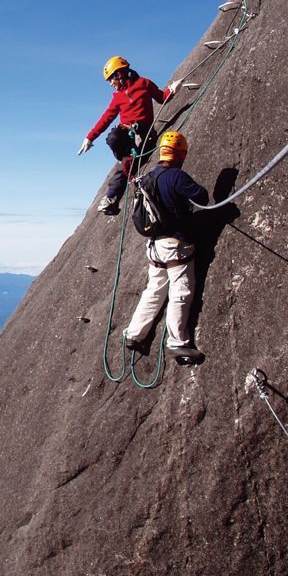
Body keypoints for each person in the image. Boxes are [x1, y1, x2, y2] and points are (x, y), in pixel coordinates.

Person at [123, 130, 208, 363]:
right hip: (175, 245)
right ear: (180, 154)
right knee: (180, 290)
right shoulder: (177, 177)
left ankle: (134, 334)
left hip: (154, 245)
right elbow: (202, 197)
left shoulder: (147, 178)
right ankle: (177, 342)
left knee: (155, 289)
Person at [77, 56, 183, 214]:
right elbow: (106, 118)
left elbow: (161, 98)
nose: (110, 84)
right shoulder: (117, 97)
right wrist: (90, 137)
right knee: (113, 139)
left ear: (119, 74)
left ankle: (112, 197)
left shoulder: (144, 84)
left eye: (111, 79)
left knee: (127, 163)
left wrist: (172, 90)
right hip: (127, 134)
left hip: (144, 133)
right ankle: (123, 172)